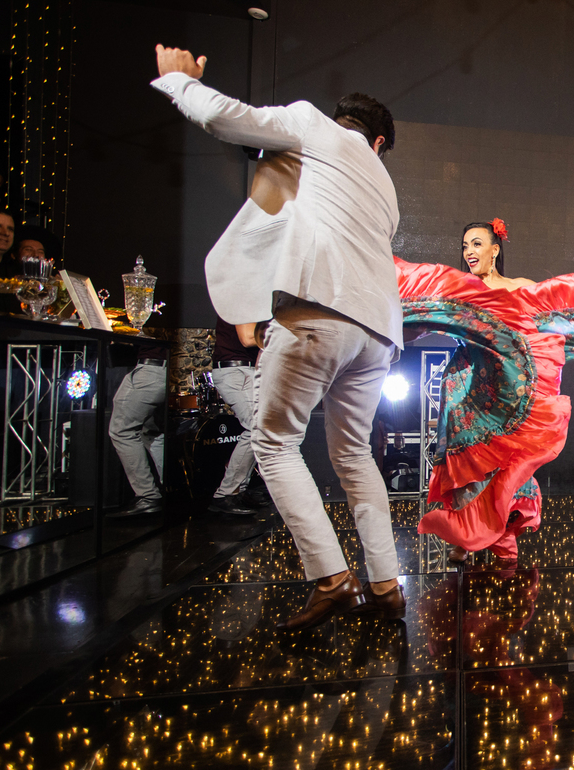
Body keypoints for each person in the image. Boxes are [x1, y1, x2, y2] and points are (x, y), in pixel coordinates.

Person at [151, 44, 405, 629]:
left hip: (317, 313)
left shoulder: (311, 124)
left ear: (344, 121)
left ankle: (332, 579)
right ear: (379, 141)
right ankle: (386, 584)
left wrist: (180, 83)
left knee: (273, 443)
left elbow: (227, 117)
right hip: (378, 332)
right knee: (354, 453)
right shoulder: (385, 186)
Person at [396, 218, 574, 563]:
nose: (469, 252)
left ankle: (502, 534)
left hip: (506, 391)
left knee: (506, 462)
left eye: (477, 244)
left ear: (495, 250)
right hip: (465, 388)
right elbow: (420, 320)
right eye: (465, 246)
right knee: (468, 461)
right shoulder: (459, 290)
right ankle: (464, 537)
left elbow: (564, 308)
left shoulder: (518, 289)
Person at [107, 345, 168, 517]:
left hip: (150, 369)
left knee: (121, 431)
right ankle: (166, 491)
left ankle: (148, 496)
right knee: (154, 433)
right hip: (163, 368)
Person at [207, 317, 259, 516]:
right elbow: (247, 338)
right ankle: (226, 494)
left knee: (261, 431)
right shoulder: (243, 300)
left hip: (246, 369)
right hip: (236, 370)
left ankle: (239, 490)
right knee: (257, 429)